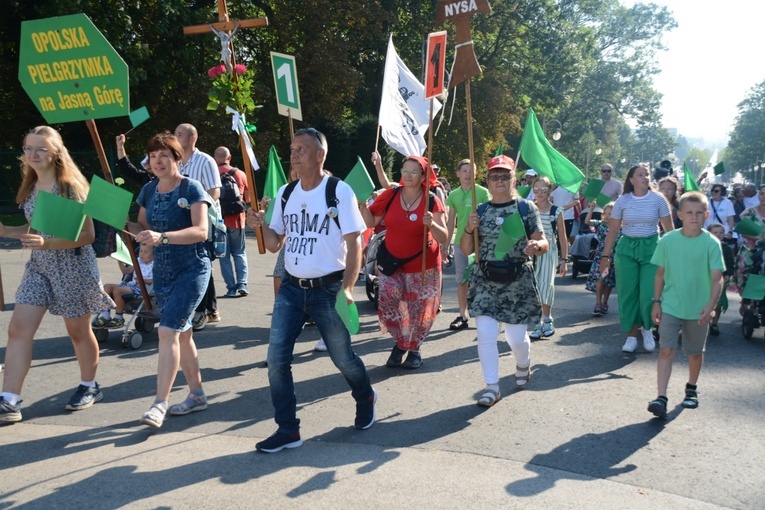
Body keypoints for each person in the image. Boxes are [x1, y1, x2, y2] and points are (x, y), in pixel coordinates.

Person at [246, 128, 376, 453]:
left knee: (343, 358)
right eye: (292, 149)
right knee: (276, 360)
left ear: (320, 155)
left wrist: (347, 287)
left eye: (301, 149)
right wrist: (260, 223)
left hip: (328, 289)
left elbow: (354, 242)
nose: (294, 154)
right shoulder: (286, 194)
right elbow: (275, 244)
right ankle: (288, 430)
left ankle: (365, 395)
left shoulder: (338, 191)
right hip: (291, 288)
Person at [0, 126, 114, 423]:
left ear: (55, 153)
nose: (32, 155)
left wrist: (46, 243)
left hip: (73, 266)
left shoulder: (70, 188)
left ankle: (90, 386)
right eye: (27, 148)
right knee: (18, 329)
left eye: (40, 149)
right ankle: (10, 400)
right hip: (40, 267)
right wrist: (6, 231)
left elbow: (87, 235)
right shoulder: (29, 186)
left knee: (77, 332)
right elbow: (35, 229)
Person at [131, 132, 213, 428]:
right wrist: (141, 239)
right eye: (153, 156)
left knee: (167, 331)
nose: (158, 161)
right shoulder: (149, 190)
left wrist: (160, 238)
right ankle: (197, 395)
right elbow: (141, 224)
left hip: (192, 268)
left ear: (178, 158)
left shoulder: (192, 187)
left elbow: (201, 231)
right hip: (163, 273)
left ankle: (159, 403)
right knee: (183, 333)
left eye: (164, 155)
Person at [460, 155, 546, 407]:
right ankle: (491, 387)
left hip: (517, 280)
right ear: (487, 181)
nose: (499, 180)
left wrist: (536, 245)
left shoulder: (525, 208)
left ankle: (523, 362)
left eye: (504, 175)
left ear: (513, 179)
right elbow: (466, 250)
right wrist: (467, 228)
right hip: (485, 279)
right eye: (494, 176)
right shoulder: (481, 210)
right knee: (486, 334)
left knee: (515, 338)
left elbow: (543, 241)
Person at [361, 155, 448, 369]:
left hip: (424, 267)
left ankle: (414, 349)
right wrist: (363, 206)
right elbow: (371, 221)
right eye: (405, 171)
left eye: (414, 172)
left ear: (423, 176)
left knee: (420, 310)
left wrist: (432, 225)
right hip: (392, 264)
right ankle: (400, 343)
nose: (408, 175)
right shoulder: (391, 195)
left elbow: (444, 236)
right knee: (389, 305)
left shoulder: (431, 200)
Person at [648, 191, 723, 418]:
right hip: (671, 305)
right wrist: (656, 302)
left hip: (698, 309)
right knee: (666, 349)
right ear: (679, 214)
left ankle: (691, 388)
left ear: (706, 215)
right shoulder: (668, 241)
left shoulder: (711, 243)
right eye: (689, 212)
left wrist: (711, 306)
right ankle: (661, 397)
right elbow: (660, 274)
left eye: (699, 213)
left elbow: (717, 278)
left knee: (694, 353)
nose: (694, 217)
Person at [599, 165, 674, 353]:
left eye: (647, 174)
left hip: (651, 248)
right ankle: (631, 336)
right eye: (640, 175)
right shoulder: (622, 201)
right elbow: (614, 230)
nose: (645, 177)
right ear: (631, 180)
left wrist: (675, 255)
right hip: (627, 249)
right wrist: (605, 257)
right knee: (628, 294)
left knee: (648, 293)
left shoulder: (658, 199)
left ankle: (647, 329)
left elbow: (670, 230)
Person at [175, 123, 222, 330]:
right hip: (180, 221)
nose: (175, 137)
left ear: (192, 138)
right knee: (194, 264)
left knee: (202, 263)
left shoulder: (205, 161)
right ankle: (209, 310)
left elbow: (214, 192)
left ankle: (203, 311)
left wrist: (196, 209)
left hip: (205, 222)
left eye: (179, 134)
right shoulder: (174, 160)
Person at [445, 159, 490, 331]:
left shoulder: (483, 192)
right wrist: (446, 245)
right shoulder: (453, 195)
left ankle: (483, 314)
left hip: (480, 243)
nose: (467, 174)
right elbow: (451, 222)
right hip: (460, 243)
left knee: (482, 279)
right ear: (458, 173)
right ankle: (462, 315)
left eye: (471, 170)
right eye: (464, 170)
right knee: (462, 280)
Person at [529, 176, 567, 338]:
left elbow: (563, 237)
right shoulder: (530, 208)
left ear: (550, 191)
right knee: (533, 287)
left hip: (548, 253)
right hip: (531, 251)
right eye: (536, 190)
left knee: (545, 285)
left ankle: (547, 318)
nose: (539, 193)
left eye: (543, 190)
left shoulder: (556, 211)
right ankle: (537, 322)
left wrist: (564, 260)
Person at [213, 146, 250, 298]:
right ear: (230, 157)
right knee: (239, 252)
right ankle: (242, 283)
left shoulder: (212, 174)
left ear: (215, 158)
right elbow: (247, 199)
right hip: (237, 219)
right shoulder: (240, 174)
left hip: (219, 221)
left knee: (224, 256)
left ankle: (231, 287)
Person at [94, 243, 154, 328]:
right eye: (140, 251)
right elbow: (126, 271)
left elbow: (155, 280)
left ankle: (119, 317)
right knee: (106, 287)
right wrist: (120, 261)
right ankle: (105, 316)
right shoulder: (138, 261)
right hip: (131, 285)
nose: (142, 254)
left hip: (143, 288)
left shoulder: (156, 265)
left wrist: (142, 280)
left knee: (118, 290)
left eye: (145, 252)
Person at [585, 203, 617, 315]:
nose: (607, 216)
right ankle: (598, 303)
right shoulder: (600, 225)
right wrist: (591, 209)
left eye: (610, 214)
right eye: (605, 213)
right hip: (601, 256)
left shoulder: (619, 227)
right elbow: (587, 222)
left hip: (613, 257)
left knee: (609, 282)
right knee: (600, 279)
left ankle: (604, 302)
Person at [706, 223, 734, 336]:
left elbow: (730, 263)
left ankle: (714, 323)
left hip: (720, 278)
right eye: (715, 232)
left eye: (721, 232)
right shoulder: (706, 246)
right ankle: (704, 321)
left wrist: (728, 274)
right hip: (706, 277)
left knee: (718, 302)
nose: (718, 235)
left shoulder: (726, 248)